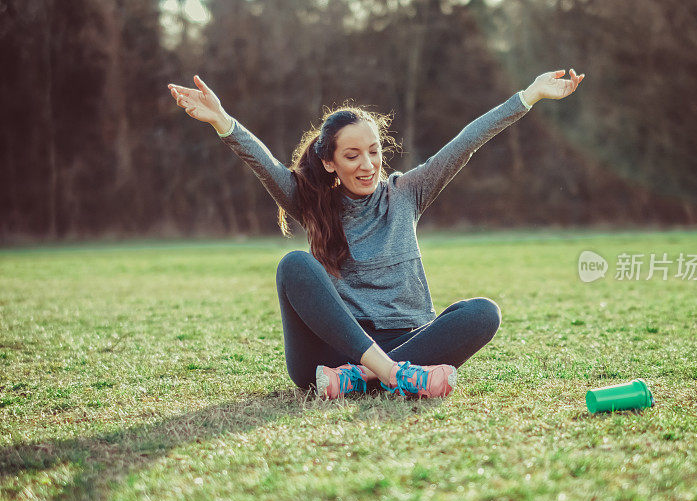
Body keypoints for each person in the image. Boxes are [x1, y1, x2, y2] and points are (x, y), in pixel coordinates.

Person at [167, 68, 584, 399]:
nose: (368, 165)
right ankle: (391, 376)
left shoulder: (408, 192)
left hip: (406, 340)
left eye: (374, 152)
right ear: (330, 162)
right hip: (335, 349)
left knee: (483, 313)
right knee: (294, 264)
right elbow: (265, 164)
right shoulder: (312, 201)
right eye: (352, 155)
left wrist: (529, 95)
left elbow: (467, 141)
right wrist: (223, 121)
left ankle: (362, 380)